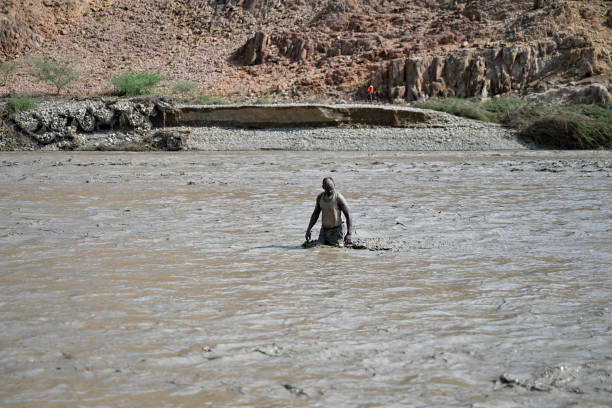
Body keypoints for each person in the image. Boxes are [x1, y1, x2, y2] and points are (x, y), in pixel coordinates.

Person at [305, 177, 353, 246]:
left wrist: (349, 234)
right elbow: (315, 214)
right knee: (320, 249)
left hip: (336, 230)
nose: (330, 191)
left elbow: (348, 215)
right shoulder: (320, 197)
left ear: (334, 185)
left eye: (331, 188)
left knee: (336, 250)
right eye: (327, 189)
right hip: (324, 231)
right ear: (323, 187)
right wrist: (308, 229)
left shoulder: (338, 198)